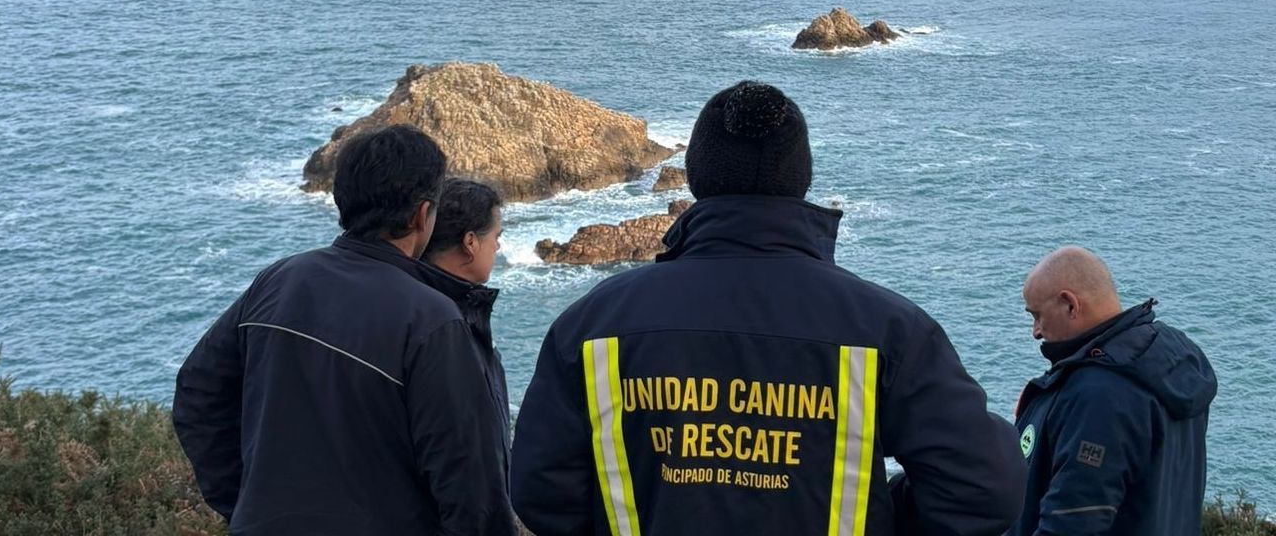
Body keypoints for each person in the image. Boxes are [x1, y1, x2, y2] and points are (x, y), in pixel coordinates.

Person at [510, 81, 1025, 536]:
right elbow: (985, 489)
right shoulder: (889, 330)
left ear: (694, 177)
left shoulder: (593, 325)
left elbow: (539, 489)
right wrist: (883, 516)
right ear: (802, 179)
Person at [172, 125, 516, 536]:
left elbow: (198, 393)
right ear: (422, 214)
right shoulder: (432, 319)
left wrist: (247, 503)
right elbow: (471, 485)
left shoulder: (279, 279)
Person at [1010, 246, 1216, 536]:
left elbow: (1071, 522)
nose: (1036, 331)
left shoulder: (1098, 394)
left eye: (1037, 315)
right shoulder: (1172, 359)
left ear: (1070, 305)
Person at [418, 178, 509, 432]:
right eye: (496, 236)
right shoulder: (448, 323)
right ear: (470, 242)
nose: (497, 246)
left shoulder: (419, 301)